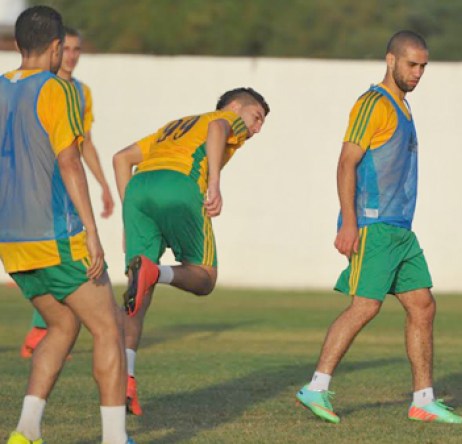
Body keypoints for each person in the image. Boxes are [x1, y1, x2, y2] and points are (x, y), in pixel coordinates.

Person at [295, 30, 462, 425]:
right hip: (373, 227)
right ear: (391, 60)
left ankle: (423, 399)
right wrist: (350, 222)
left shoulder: (404, 108)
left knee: (423, 306)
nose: (419, 72)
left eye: (424, 66)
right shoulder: (373, 103)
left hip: (400, 231)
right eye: (412, 64)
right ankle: (316, 387)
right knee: (365, 306)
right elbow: (346, 162)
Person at [0, 6, 132, 444]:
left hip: (12, 243)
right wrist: (92, 234)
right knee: (109, 327)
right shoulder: (57, 89)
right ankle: (115, 439)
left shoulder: (0, 88)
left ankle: (26, 430)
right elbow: (69, 160)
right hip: (56, 237)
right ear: (57, 47)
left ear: (19, 44)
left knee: (61, 326)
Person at [112, 87, 269, 416]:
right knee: (205, 278)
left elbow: (121, 158)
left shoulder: (176, 125)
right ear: (237, 107)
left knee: (137, 295)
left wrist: (130, 218)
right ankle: (157, 272)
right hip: (180, 185)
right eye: (256, 118)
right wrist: (214, 183)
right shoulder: (224, 118)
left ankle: (125, 381)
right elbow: (217, 129)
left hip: (140, 190)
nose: (257, 129)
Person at [20, 26, 116, 359]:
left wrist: (103, 183)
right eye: (68, 48)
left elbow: (82, 144)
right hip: (42, 197)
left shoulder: (80, 92)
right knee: (72, 266)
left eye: (78, 49)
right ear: (55, 48)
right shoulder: (41, 88)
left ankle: (45, 329)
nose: (72, 55)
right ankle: (43, 328)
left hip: (61, 192)